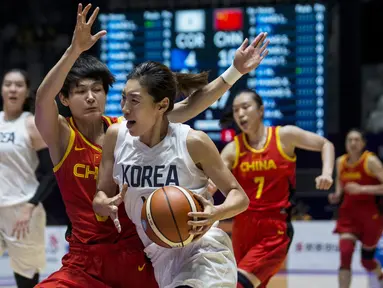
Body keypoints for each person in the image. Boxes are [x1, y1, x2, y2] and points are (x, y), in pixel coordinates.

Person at [35, 3, 269, 287]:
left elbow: (190, 105)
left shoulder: (131, 127)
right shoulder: (68, 135)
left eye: (97, 90)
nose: (90, 97)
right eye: (81, 91)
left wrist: (234, 71)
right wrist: (75, 50)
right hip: (87, 256)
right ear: (65, 99)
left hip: (140, 251)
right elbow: (42, 99)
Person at [93, 58, 252, 288]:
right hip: (160, 256)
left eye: (135, 101)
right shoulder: (115, 137)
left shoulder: (192, 142)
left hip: (204, 249)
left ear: (161, 105)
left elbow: (240, 197)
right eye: (123, 98)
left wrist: (215, 213)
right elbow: (100, 195)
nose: (125, 108)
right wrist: (104, 204)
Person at [209, 89, 334, 288]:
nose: (240, 114)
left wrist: (327, 172)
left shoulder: (285, 136)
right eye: (235, 110)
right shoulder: (233, 149)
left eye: (245, 107)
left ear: (261, 110)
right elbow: (212, 182)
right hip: (242, 226)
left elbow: (326, 144)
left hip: (275, 227)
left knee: (238, 284)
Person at [0, 69, 52, 288]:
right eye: (8, 84)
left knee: (26, 278)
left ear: (26, 92)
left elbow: (51, 172)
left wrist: (31, 205)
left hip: (22, 211)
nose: (13, 89)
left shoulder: (31, 124)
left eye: (19, 85)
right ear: (2, 89)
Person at [328, 129, 383, 288]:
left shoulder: (370, 161)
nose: (353, 143)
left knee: (366, 261)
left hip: (371, 216)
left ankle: (379, 272)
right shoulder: (340, 162)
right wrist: (337, 195)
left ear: (363, 143)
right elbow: (340, 183)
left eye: (357, 140)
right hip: (348, 215)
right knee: (345, 254)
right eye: (349, 140)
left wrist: (362, 189)